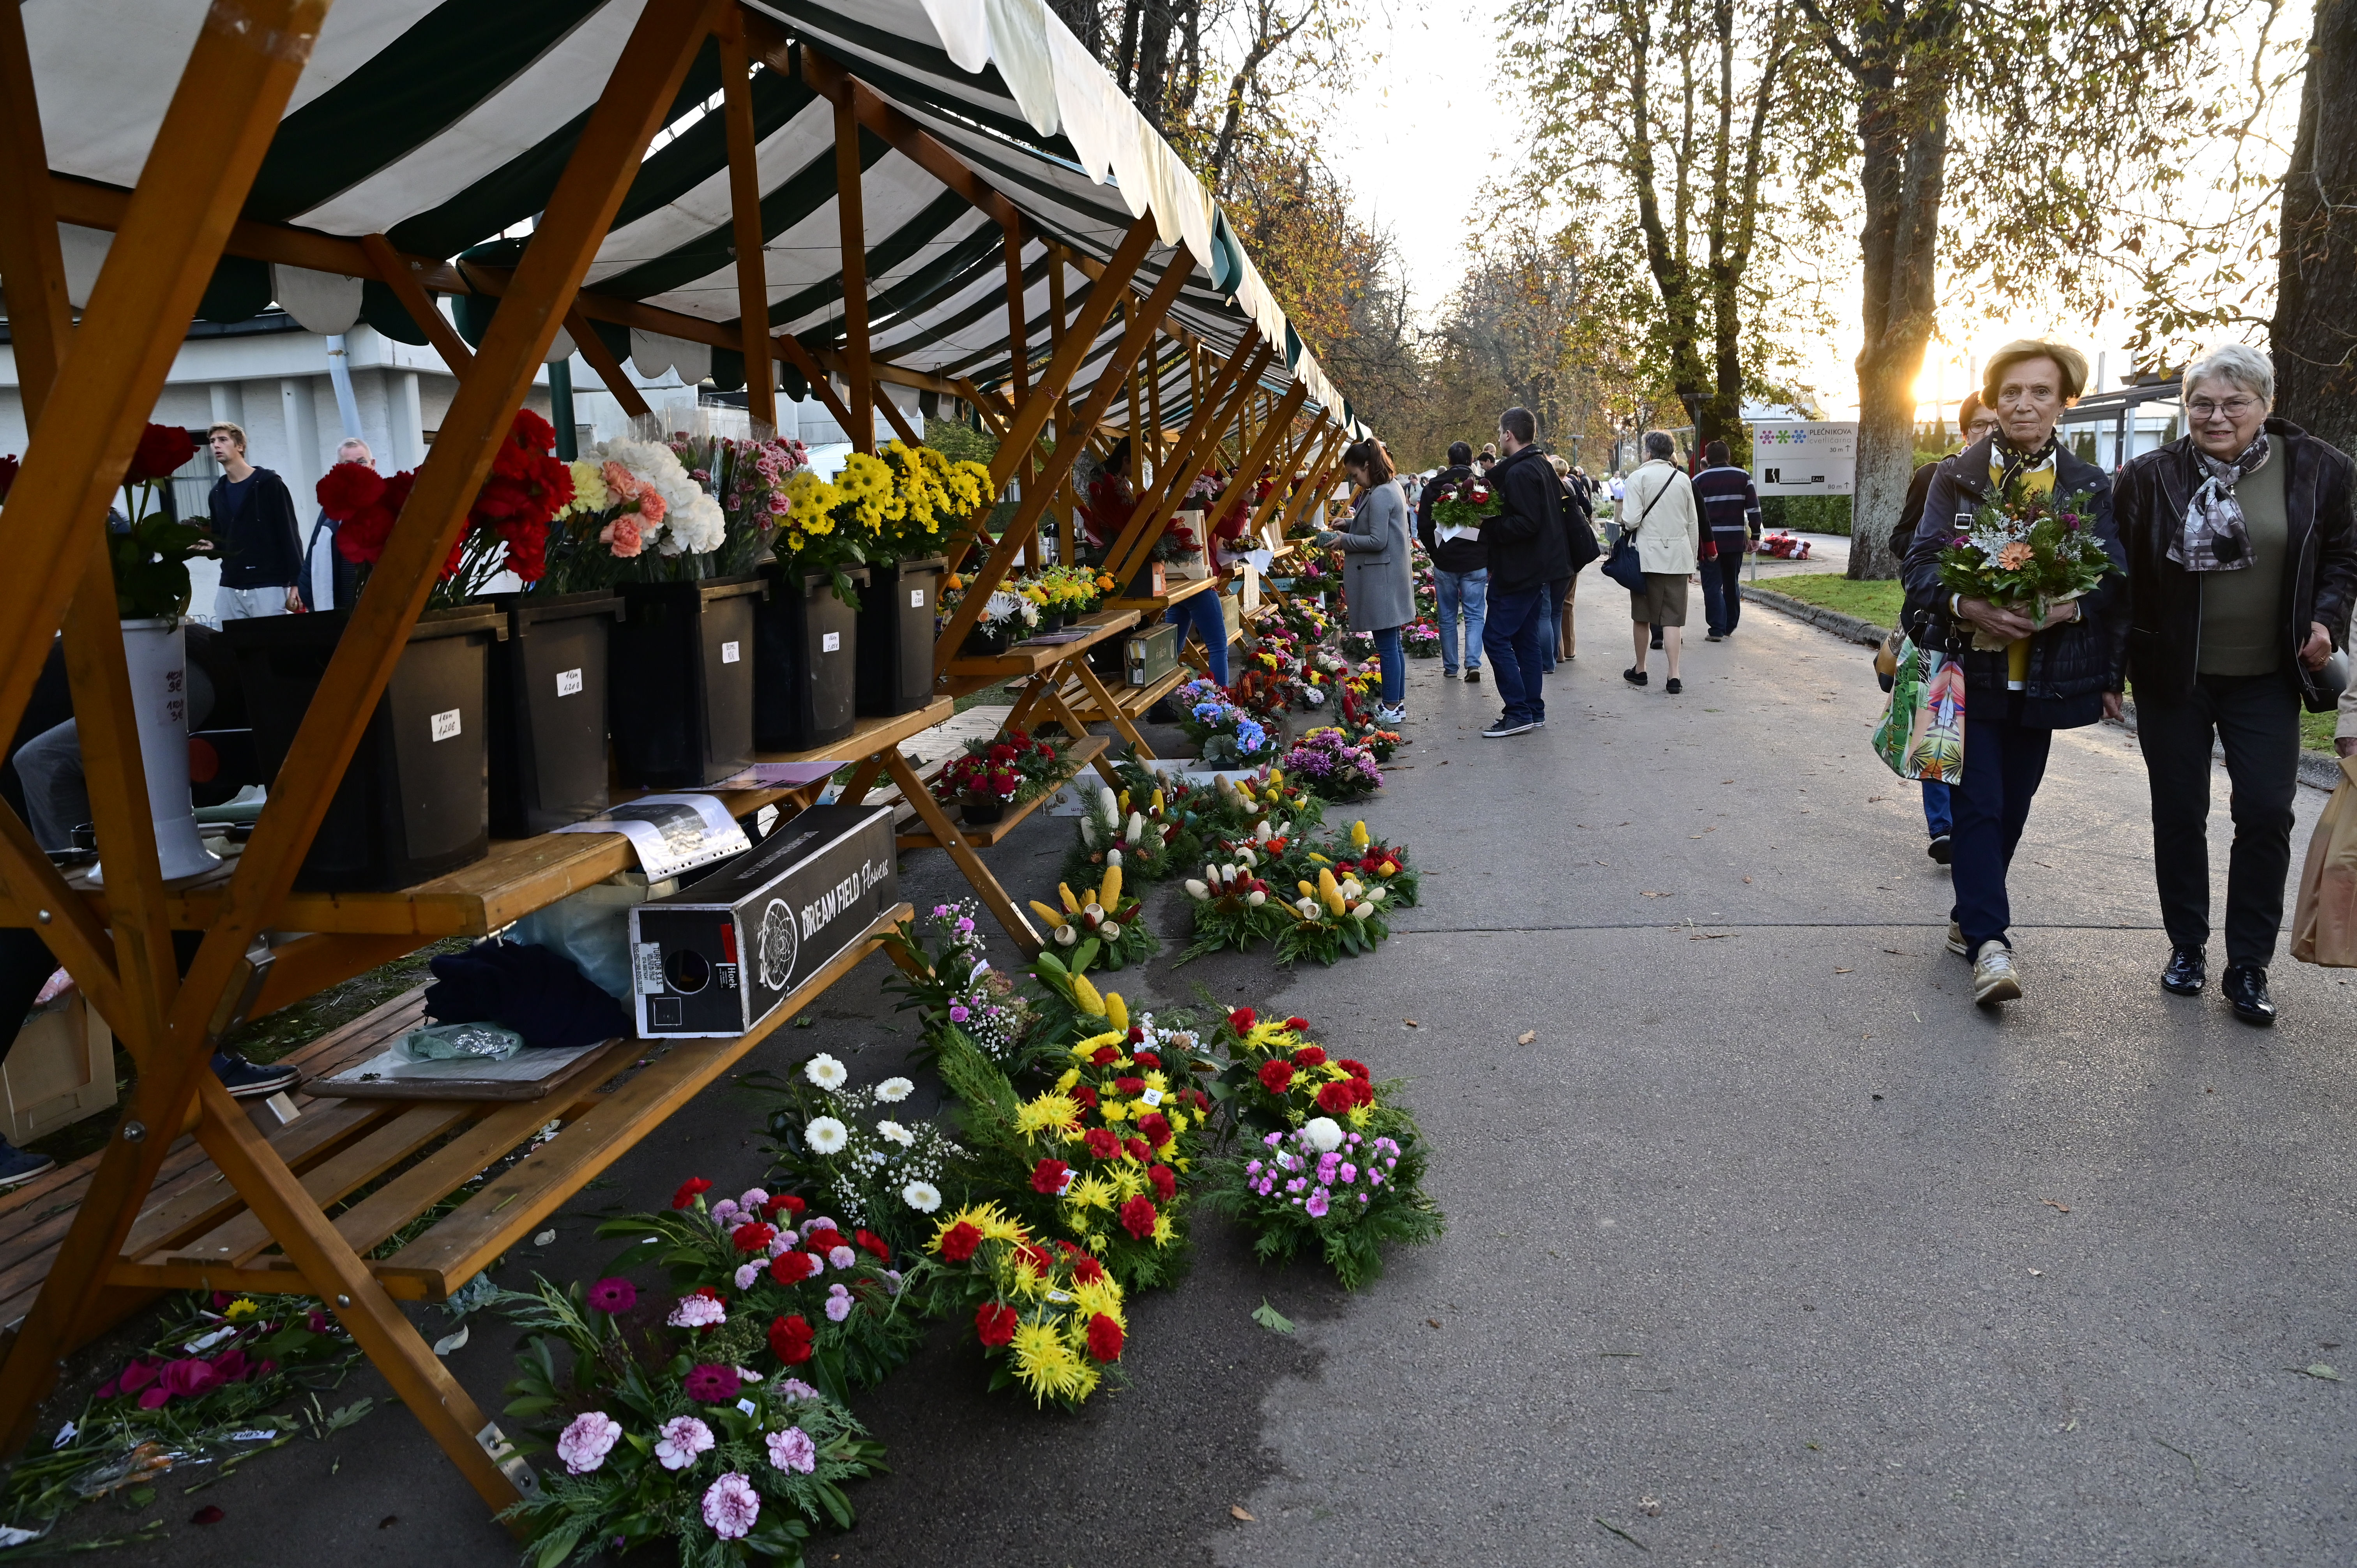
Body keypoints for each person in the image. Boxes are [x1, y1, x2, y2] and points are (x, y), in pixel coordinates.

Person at [2111, 342, 2357, 1025]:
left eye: (2232, 403)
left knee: (2265, 814)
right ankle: (2185, 945)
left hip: (2265, 678)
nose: (2215, 416)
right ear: (2185, 407)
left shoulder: (2319, 468)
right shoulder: (2148, 476)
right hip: (2173, 677)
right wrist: (2109, 674)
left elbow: (2341, 555)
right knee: (2179, 813)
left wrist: (2326, 619)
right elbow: (2119, 581)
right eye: (2200, 403)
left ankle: (2247, 962)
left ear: (2265, 404)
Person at [1903, 339, 2123, 1006]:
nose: (2022, 404)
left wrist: (2068, 607)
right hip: (1970, 672)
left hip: (2047, 677)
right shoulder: (1955, 476)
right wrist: (1967, 602)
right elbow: (1918, 566)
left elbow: (2113, 578)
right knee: (1979, 801)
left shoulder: (2086, 485)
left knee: (2012, 810)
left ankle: (1968, 913)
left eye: (2038, 392)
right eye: (2009, 393)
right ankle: (1990, 944)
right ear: (1992, 401)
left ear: (2065, 402)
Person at [1892, 394, 2001, 866]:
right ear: (1965, 432)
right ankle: (1943, 828)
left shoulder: (2023, 488)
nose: (1990, 433)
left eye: (1997, 425)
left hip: (1998, 638)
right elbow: (1902, 540)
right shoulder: (1937, 476)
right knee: (1937, 726)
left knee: (1977, 741)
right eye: (1980, 425)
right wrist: (1946, 557)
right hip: (1935, 624)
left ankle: (1967, 823)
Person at [1477, 407, 1570, 737]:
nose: (1499, 436)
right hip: (1538, 568)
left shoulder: (1519, 472)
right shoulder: (1540, 465)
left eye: (1500, 431)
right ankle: (1533, 708)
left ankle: (1518, 711)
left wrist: (1488, 523)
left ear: (1508, 435)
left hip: (1520, 570)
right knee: (1526, 639)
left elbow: (1527, 523)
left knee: (1495, 637)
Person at [1316, 439, 1414, 724]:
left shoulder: (1382, 494)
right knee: (1392, 645)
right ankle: (1396, 703)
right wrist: (1349, 524)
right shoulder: (1388, 487)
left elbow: (1377, 539)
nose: (1355, 480)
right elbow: (1377, 526)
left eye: (1356, 475)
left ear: (1368, 466)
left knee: (1387, 646)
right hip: (1388, 578)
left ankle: (1392, 705)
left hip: (1382, 581)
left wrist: (1345, 539)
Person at [1619, 433, 1700, 694]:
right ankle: (1674, 675)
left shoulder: (1638, 478)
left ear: (1648, 453)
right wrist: (1692, 562)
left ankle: (1641, 669)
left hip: (1646, 558)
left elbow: (1631, 521)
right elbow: (1692, 523)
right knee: (1673, 619)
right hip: (1677, 558)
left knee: (1642, 617)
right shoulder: (1683, 480)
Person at [204, 422, 304, 622]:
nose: (216, 445)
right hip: (230, 585)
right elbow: (221, 539)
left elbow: (289, 533)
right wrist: (211, 546)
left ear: (240, 446)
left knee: (271, 649)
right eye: (213, 441)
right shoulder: (216, 493)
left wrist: (298, 581)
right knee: (230, 649)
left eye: (223, 440)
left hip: (268, 585)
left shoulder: (270, 485)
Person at [1415, 440, 1488, 683]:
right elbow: (1493, 524)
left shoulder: (1433, 488)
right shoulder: (1482, 487)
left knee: (1447, 616)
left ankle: (1451, 667)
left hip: (1445, 560)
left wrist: (1435, 552)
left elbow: (1424, 527)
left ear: (1448, 461)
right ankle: (1474, 663)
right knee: (1475, 615)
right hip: (1476, 560)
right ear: (1471, 461)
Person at [1690, 439, 1762, 642]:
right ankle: (1730, 625)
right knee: (1732, 582)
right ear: (1728, 457)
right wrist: (1755, 536)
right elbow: (1754, 509)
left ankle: (1716, 629)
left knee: (1712, 585)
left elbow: (1693, 515)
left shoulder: (1699, 480)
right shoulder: (1743, 477)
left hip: (1709, 543)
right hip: (1734, 541)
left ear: (1707, 459)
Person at [298, 436, 371, 613]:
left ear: (373, 464)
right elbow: (315, 555)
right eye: (348, 464)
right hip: (341, 609)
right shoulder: (331, 511)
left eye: (361, 462)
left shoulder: (387, 504)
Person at [1541, 455, 1592, 668]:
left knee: (1548, 610)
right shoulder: (1572, 487)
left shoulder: (1546, 490)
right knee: (1565, 605)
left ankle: (1555, 655)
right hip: (1572, 554)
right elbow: (1587, 509)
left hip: (1551, 555)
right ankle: (1567, 649)